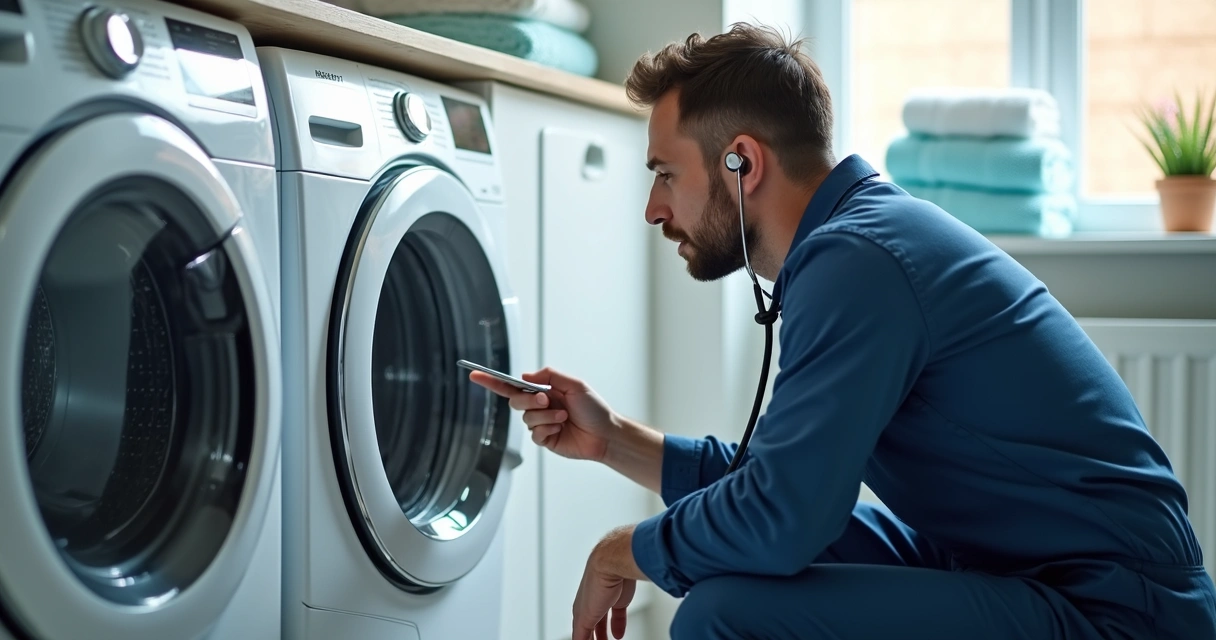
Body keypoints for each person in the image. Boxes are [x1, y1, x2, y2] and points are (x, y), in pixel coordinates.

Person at [469, 23, 1216, 640]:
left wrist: (620, 551)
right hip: (1015, 563)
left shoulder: (857, 261)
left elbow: (780, 518)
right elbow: (783, 489)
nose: (652, 209)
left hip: (1117, 611)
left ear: (741, 162)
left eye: (665, 173)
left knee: (722, 615)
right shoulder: (858, 243)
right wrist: (612, 440)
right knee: (751, 562)